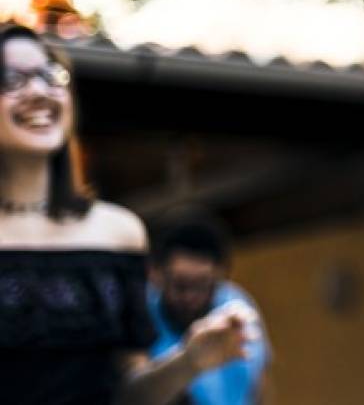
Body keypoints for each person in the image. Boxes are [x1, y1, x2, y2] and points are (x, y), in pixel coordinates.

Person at [0, 23, 250, 405]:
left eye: (50, 76)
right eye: (10, 79)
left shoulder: (118, 233)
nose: (37, 92)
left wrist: (190, 360)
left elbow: (129, 396)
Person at [148, 217, 271, 405]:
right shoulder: (142, 314)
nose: (190, 298)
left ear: (219, 278)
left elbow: (259, 382)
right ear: (157, 275)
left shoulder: (238, 306)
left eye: (201, 286)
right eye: (180, 286)